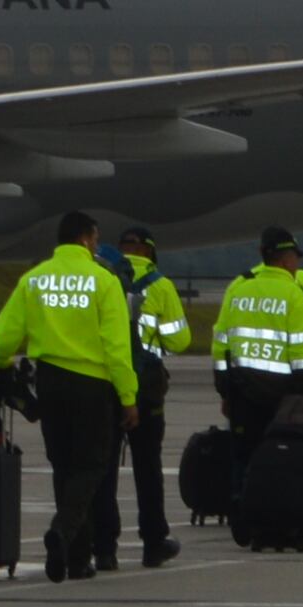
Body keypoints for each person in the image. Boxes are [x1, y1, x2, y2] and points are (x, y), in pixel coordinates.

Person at [0, 210, 137, 579]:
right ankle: (63, 532)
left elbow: (5, 334)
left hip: (50, 381)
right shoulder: (103, 280)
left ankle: (76, 557)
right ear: (87, 239)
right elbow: (116, 345)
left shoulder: (34, 279)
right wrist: (129, 396)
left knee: (64, 467)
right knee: (91, 466)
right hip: (91, 383)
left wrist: (1, 361)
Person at [116, 223, 193, 570]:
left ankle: (103, 544)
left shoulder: (104, 279)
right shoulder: (159, 286)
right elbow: (180, 341)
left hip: (110, 384)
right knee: (148, 468)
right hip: (146, 387)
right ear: (149, 251)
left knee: (103, 468)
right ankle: (153, 541)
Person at [210, 228, 303, 452]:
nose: (297, 265)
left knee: (243, 462)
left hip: (242, 396)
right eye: (296, 258)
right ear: (285, 261)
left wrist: (225, 392)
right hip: (283, 400)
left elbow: (220, 345)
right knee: (280, 464)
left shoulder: (238, 290)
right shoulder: (297, 296)